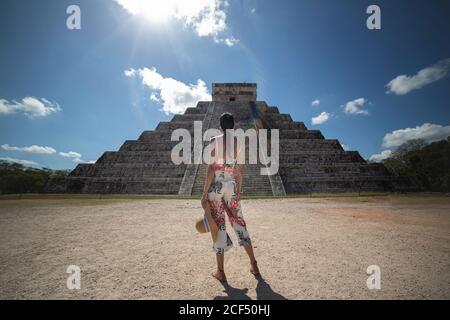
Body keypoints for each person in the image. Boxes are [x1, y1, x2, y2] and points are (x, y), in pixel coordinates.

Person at [201, 112, 260, 282]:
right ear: (233, 127)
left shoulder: (215, 141)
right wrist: (238, 191)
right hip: (231, 186)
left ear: (220, 126)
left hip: (217, 186)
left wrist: (204, 193)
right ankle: (254, 264)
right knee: (239, 224)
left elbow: (211, 168)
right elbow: (240, 171)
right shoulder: (238, 143)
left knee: (218, 227)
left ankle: (221, 271)